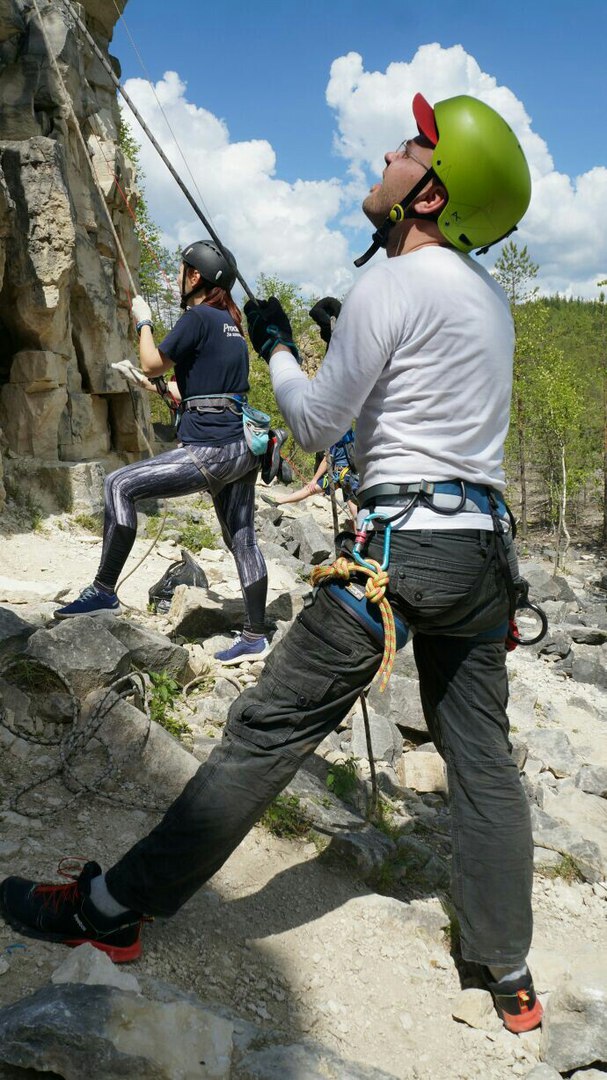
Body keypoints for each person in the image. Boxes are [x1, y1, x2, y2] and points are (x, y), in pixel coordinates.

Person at [0, 93, 542, 1035]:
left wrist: (284, 347)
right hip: (480, 558)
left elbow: (312, 422)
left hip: (396, 555)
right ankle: (507, 970)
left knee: (264, 731)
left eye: (412, 147)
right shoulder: (485, 299)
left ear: (430, 197)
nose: (388, 150)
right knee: (483, 761)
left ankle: (111, 911)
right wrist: (334, 342)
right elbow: (416, 409)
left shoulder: (394, 285)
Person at [53, 240, 270, 666]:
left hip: (212, 449)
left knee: (119, 484)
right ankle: (255, 634)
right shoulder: (230, 325)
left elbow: (153, 361)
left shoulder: (198, 317)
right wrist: (147, 385)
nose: (177, 277)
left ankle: (102, 592)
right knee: (241, 536)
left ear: (196, 277)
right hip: (242, 449)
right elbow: (195, 392)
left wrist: (143, 322)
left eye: (182, 269)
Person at [261, 427, 359, 526]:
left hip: (339, 474)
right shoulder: (349, 432)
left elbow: (327, 461)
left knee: (309, 489)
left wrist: (314, 480)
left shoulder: (334, 435)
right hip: (350, 474)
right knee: (354, 511)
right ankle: (361, 537)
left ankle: (277, 501)